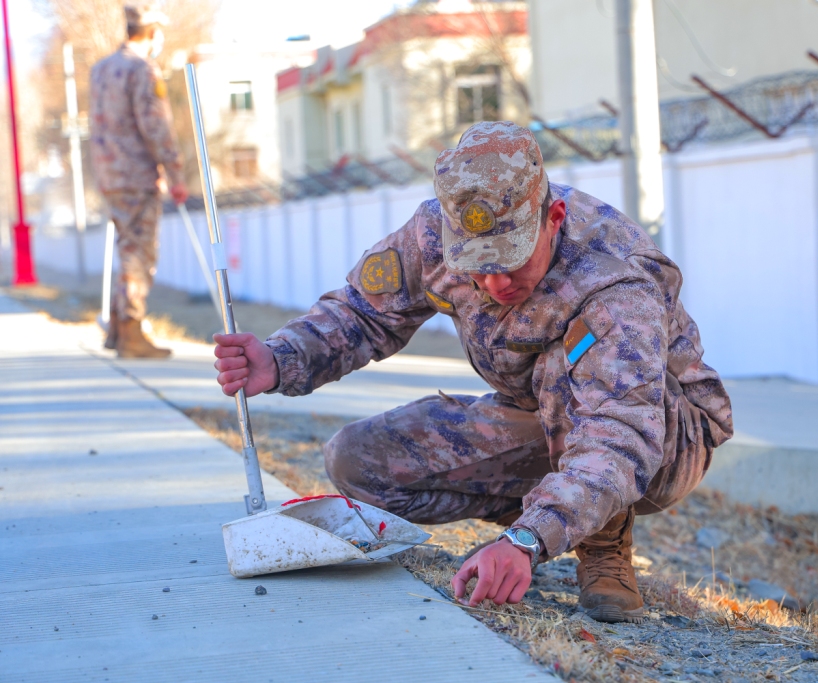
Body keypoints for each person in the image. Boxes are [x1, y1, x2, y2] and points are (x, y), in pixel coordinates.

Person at [213, 122, 733, 623]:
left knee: (565, 360)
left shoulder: (611, 277)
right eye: (478, 264)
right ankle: (552, 516)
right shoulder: (435, 234)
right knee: (356, 462)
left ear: (553, 218)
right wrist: (282, 357)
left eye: (511, 260)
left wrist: (528, 542)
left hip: (663, 438)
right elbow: (364, 312)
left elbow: (620, 435)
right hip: (538, 416)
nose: (494, 281)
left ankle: (598, 545)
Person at [90, 5, 187, 359]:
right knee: (139, 254)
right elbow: (156, 126)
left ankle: (117, 330)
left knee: (126, 249)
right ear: (150, 31)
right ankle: (131, 332)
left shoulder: (100, 69)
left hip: (108, 174)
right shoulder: (142, 68)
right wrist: (175, 173)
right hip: (137, 175)